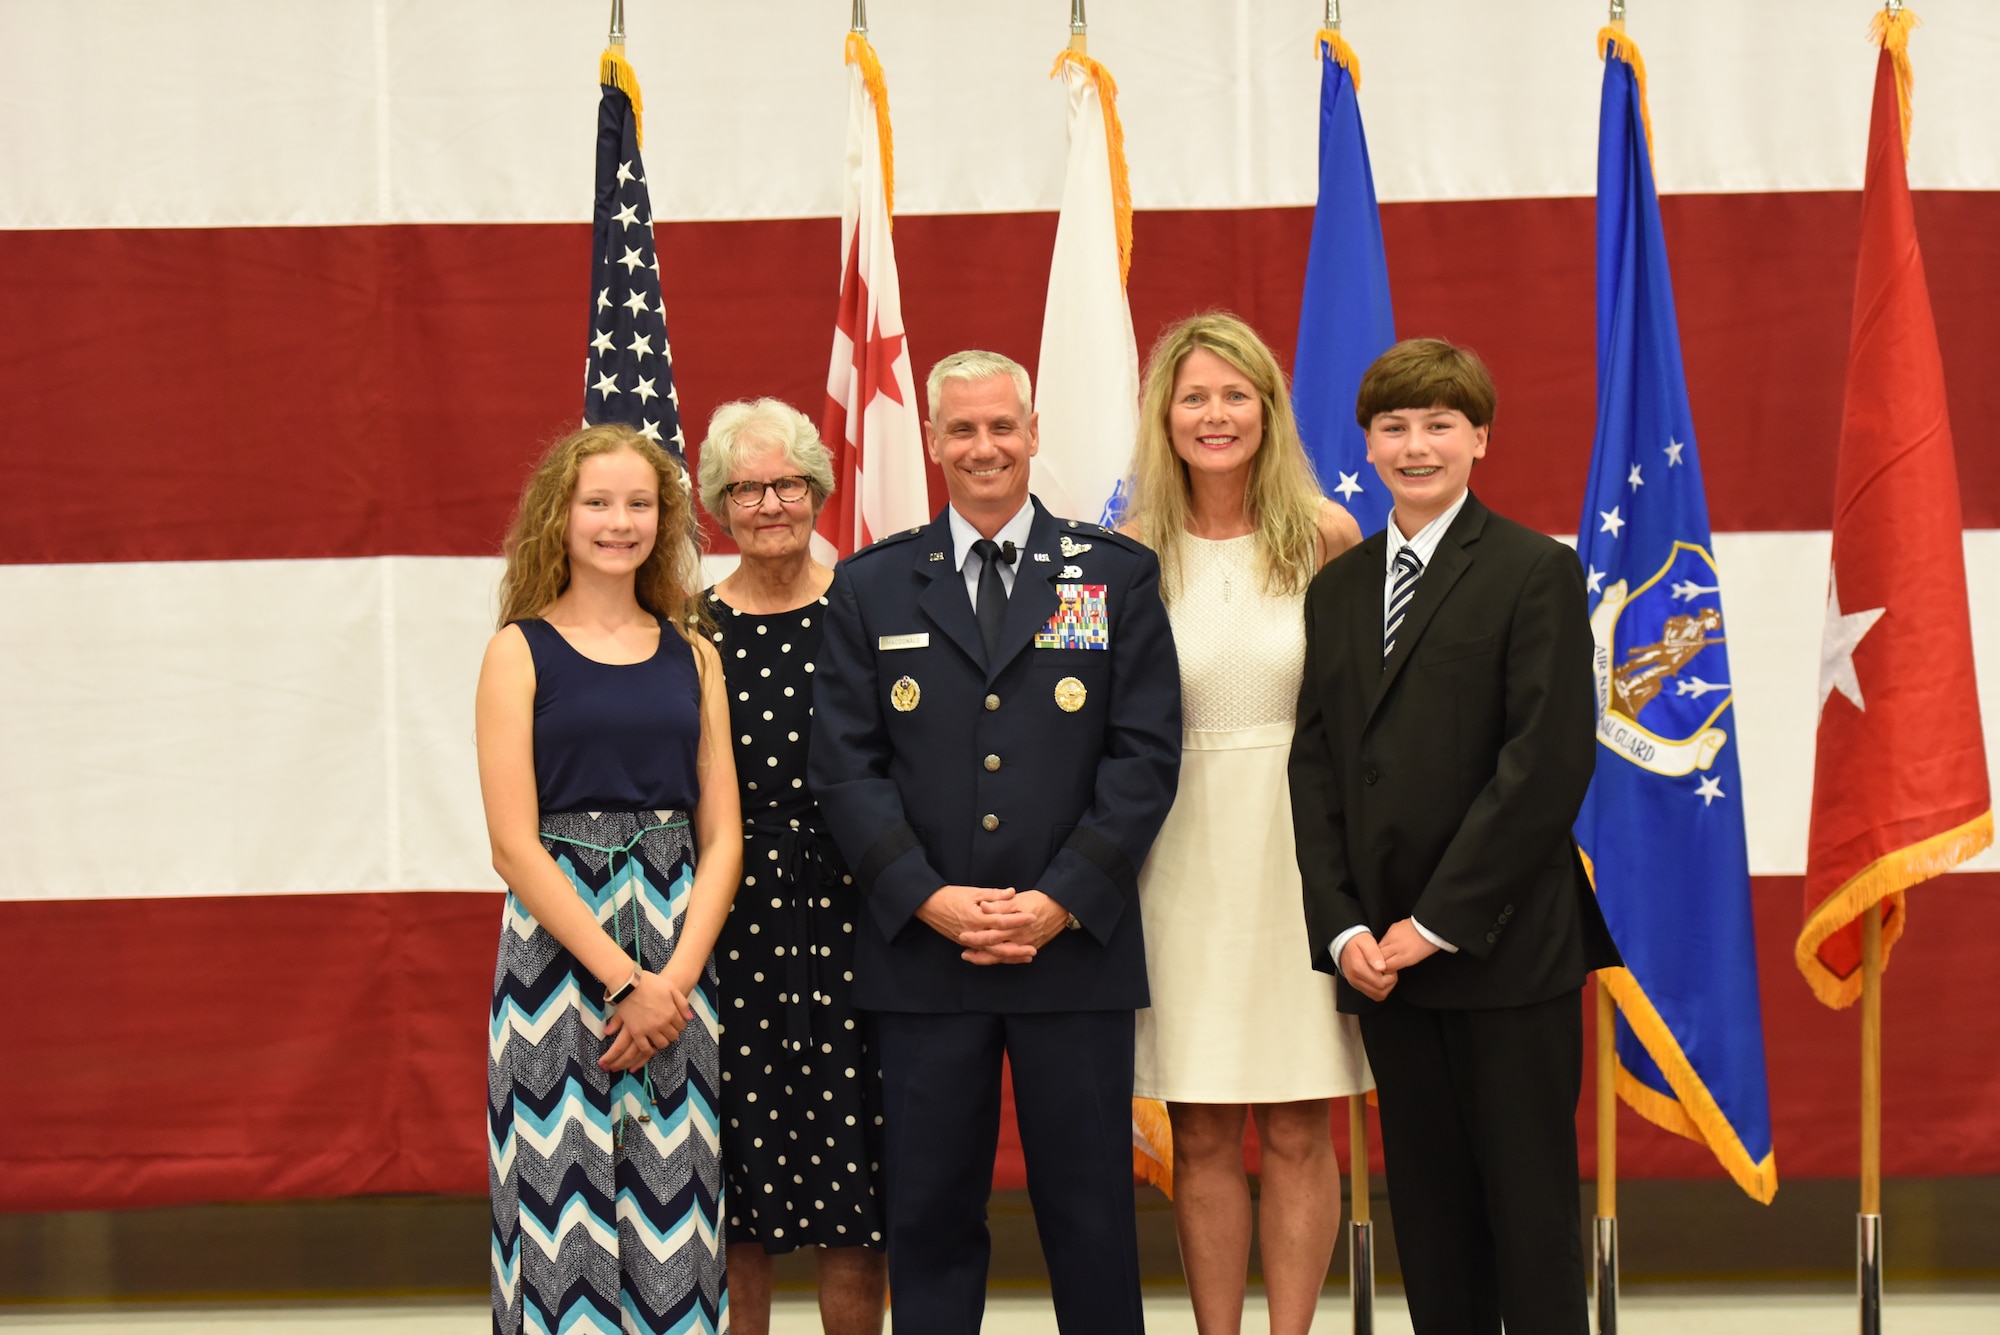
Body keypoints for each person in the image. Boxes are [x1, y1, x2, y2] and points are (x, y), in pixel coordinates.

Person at [809, 350, 1183, 1334]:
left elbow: (1142, 756)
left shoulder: (1107, 576)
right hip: (925, 956)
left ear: (1031, 432)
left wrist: (1059, 899)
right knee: (929, 1217)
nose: (984, 447)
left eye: (1001, 426)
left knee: (1092, 1216)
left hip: (1072, 950)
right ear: (931, 442)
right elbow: (844, 770)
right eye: (962, 429)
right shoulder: (873, 585)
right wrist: (929, 900)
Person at [1288, 339, 1622, 1335]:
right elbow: (1314, 770)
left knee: (1525, 1216)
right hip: (1382, 960)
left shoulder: (1533, 570)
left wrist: (1434, 921)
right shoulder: (1336, 589)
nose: (1414, 444)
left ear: (1478, 438)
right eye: (1393, 426)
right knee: (1428, 1220)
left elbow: (1544, 767)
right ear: (1366, 444)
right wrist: (1344, 928)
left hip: (1500, 945)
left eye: (1438, 424)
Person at [1120, 313, 1371, 1335]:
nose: (1215, 414)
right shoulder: (1120, 554)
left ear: (1267, 409)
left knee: (1301, 1122)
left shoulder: (1325, 536)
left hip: (1300, 851)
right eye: (1194, 397)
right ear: (1164, 418)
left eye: (1235, 394)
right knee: (1204, 1124)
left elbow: (1363, 717)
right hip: (1172, 857)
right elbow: (1072, 716)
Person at [477, 422, 741, 1335]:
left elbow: (724, 837)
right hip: (558, 961)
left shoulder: (693, 653)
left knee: (678, 1217)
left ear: (663, 520)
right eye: (598, 502)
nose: (618, 522)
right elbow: (514, 844)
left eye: (639, 503)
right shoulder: (518, 651)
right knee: (565, 1221)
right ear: (560, 516)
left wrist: (669, 982)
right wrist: (619, 977)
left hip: (677, 955)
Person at [695, 398, 888, 1335]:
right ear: (717, 506)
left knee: (858, 1198)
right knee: (738, 1198)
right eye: (746, 488)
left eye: (786, 484)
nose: (769, 503)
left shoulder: (874, 606)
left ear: (817, 489)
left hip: (866, 919)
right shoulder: (686, 629)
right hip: (728, 928)